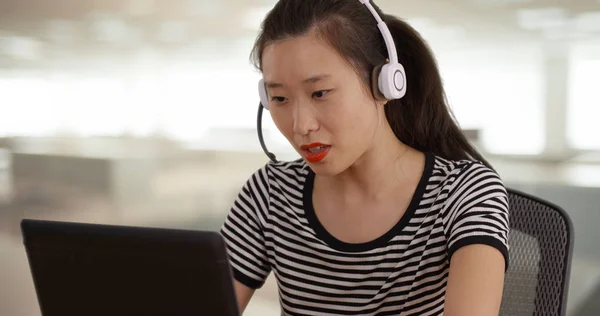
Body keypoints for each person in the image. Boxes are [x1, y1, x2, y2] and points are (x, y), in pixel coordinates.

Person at [219, 0, 510, 315]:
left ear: (385, 82)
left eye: (320, 93)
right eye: (279, 99)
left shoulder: (465, 193)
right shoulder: (269, 194)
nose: (301, 125)